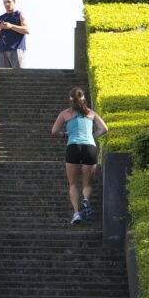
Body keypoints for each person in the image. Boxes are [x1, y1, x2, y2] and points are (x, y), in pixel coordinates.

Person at [51, 87, 108, 224]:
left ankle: (76, 213)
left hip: (73, 147)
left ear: (70, 100)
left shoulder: (65, 114)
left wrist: (64, 134)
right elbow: (105, 128)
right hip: (90, 147)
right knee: (87, 183)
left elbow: (53, 131)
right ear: (84, 99)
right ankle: (86, 200)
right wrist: (92, 136)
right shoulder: (91, 113)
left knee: (73, 184)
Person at [0, 0, 29, 68]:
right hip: (2, 51)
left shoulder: (19, 14)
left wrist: (11, 26)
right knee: (3, 77)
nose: (6, 4)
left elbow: (27, 30)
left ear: (14, 2)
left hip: (17, 50)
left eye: (9, 2)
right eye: (4, 2)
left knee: (19, 76)